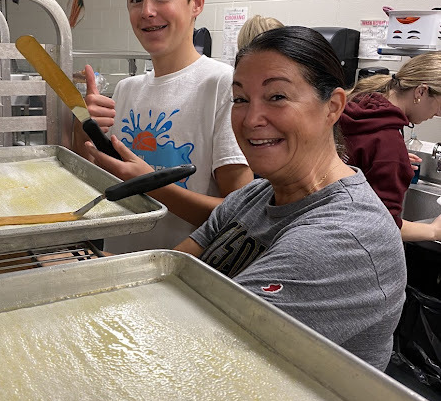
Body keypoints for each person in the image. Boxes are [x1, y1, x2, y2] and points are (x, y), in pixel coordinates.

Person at [175, 26, 406, 371]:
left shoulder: (346, 238)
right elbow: (166, 274)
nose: (251, 119)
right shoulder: (256, 195)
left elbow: (202, 347)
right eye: (240, 99)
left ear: (333, 107)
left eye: (277, 96)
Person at [75, 0, 253, 252]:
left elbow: (239, 216)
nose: (147, 11)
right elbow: (102, 180)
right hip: (119, 264)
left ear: (196, 2)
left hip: (182, 281)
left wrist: (152, 185)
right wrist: (84, 126)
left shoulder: (222, 85)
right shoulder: (127, 89)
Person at [340, 53, 441, 242]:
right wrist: (434, 231)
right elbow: (382, 228)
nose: (437, 114)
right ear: (421, 92)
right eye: (439, 107)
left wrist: (385, 161)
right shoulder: (387, 143)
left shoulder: (362, 102)